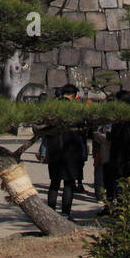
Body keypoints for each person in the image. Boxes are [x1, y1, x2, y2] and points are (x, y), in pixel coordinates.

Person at [44, 85, 87, 216]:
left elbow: (45, 129)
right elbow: (84, 130)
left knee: (54, 184)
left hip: (55, 150)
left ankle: (51, 213)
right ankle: (65, 214)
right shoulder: (77, 110)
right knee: (68, 184)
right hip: (71, 151)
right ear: (74, 95)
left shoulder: (52, 110)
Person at [105, 90, 130, 202]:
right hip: (120, 153)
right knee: (118, 180)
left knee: (122, 180)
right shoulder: (122, 116)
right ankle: (119, 205)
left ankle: (122, 206)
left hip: (124, 154)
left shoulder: (127, 117)